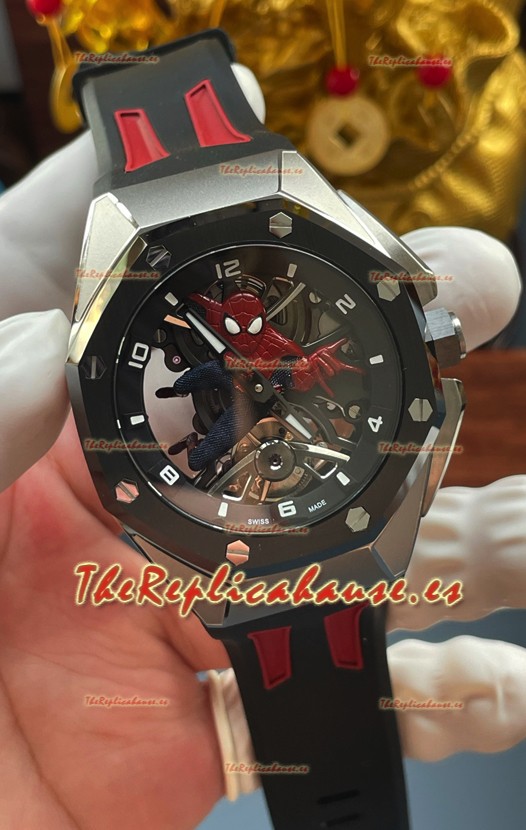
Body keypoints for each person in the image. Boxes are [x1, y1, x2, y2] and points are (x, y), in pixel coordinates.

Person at [0, 65, 525, 829]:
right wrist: (198, 387)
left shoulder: (280, 340)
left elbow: (270, 365)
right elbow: (202, 373)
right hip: (244, 475)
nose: (247, 322)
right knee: (215, 437)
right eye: (238, 316)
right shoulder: (218, 336)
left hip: (280, 485)